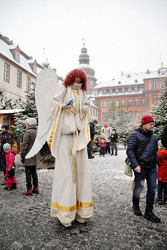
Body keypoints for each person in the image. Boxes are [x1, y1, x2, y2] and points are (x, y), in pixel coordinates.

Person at [49, 69, 93, 227]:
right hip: (65, 138)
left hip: (79, 138)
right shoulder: (63, 89)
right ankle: (65, 214)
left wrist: (86, 108)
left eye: (80, 78)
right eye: (75, 78)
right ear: (70, 78)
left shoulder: (82, 93)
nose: (77, 80)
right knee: (67, 176)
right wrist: (63, 106)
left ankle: (81, 212)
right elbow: (53, 104)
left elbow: (87, 106)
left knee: (81, 175)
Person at [127, 115, 161, 223]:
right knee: (138, 187)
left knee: (152, 189)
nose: (152, 126)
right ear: (144, 124)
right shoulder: (135, 135)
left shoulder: (153, 136)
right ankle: (136, 205)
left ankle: (149, 212)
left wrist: (156, 163)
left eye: (153, 124)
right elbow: (130, 151)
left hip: (151, 168)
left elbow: (155, 150)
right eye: (150, 124)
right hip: (140, 168)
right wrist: (135, 165)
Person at [20, 118, 39, 196]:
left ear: (29, 124)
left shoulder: (28, 132)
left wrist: (22, 155)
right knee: (34, 172)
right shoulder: (37, 132)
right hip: (35, 154)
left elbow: (25, 144)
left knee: (28, 172)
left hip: (28, 155)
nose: (26, 124)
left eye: (27, 123)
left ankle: (29, 189)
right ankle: (36, 187)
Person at [156, 140, 167, 204]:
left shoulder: (160, 153)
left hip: (161, 172)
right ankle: (166, 198)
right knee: (166, 186)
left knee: (160, 186)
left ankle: (159, 198)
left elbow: (157, 162)